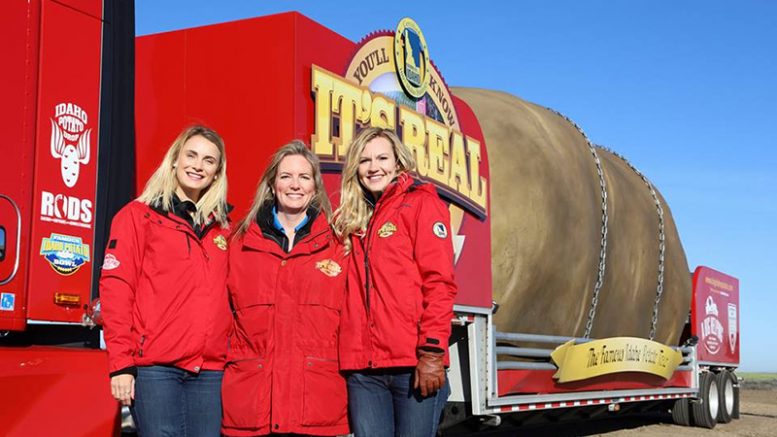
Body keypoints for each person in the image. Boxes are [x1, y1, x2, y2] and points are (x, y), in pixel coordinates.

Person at [100, 125, 232, 436]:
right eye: (191, 155)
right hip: (156, 369)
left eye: (209, 161)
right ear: (174, 160)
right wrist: (121, 364)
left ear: (217, 172)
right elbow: (116, 289)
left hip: (210, 371)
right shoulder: (138, 216)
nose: (198, 166)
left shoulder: (224, 230)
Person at [333, 127, 458, 437]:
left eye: (382, 158)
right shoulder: (353, 218)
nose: (373, 167)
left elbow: (440, 284)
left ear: (398, 163)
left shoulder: (421, 204)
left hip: (411, 364)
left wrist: (431, 353)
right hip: (364, 371)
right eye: (364, 160)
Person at [221, 140, 349, 436]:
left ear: (315, 188)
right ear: (272, 183)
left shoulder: (339, 246)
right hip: (251, 405)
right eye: (286, 176)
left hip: (317, 406)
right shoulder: (238, 243)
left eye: (304, 177)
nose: (295, 185)